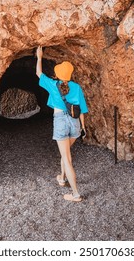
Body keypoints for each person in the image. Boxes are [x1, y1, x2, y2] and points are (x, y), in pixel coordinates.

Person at [35, 46, 88, 202]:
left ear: (58, 74)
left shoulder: (53, 84)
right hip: (74, 122)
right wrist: (83, 128)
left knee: (67, 158)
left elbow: (39, 74)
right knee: (66, 154)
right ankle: (62, 178)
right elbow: (82, 110)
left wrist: (39, 57)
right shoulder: (76, 87)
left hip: (60, 121)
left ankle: (76, 194)